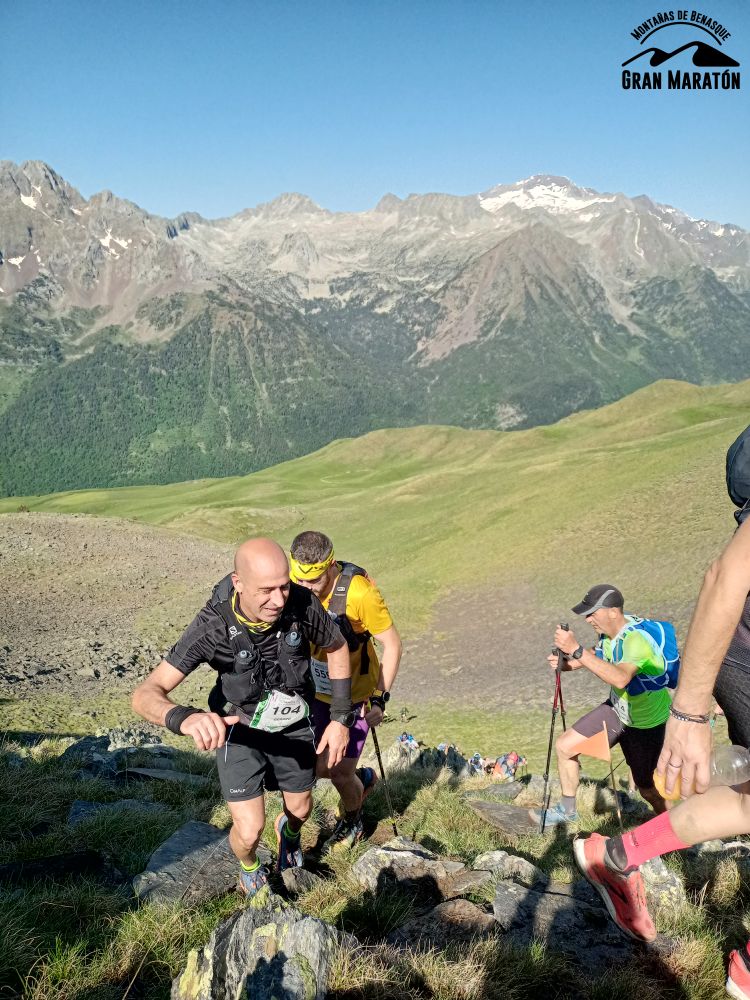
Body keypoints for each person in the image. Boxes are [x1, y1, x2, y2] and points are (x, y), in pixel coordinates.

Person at [574, 508, 750, 998]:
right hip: (724, 671)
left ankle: (616, 855)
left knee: (746, 802)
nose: (589, 620)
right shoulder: (620, 639)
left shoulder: (631, 636)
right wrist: (690, 712)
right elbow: (725, 576)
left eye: (592, 613)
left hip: (659, 710)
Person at [131, 538, 354, 897]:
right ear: (238, 583)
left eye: (284, 586)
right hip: (239, 729)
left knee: (300, 809)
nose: (278, 600)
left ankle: (289, 835)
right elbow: (145, 694)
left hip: (293, 724)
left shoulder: (301, 602)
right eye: (266, 590)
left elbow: (337, 645)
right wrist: (185, 718)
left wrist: (340, 718)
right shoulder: (212, 626)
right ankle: (249, 866)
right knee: (249, 831)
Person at [289, 530, 402, 852]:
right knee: (312, 766)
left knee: (338, 773)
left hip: (355, 695)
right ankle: (361, 780)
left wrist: (379, 698)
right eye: (299, 579)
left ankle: (353, 819)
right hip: (313, 691)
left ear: (330, 565)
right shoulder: (293, 585)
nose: (305, 587)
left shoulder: (361, 594)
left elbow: (392, 645)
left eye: (314, 580)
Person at [529, 584, 669, 826]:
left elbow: (621, 678)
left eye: (592, 613)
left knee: (648, 789)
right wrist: (569, 664)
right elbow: (599, 651)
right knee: (565, 746)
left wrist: (575, 650)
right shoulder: (609, 633)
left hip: (647, 724)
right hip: (617, 711)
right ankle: (567, 810)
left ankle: (676, 829)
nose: (587, 619)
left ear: (613, 612)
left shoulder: (636, 640)